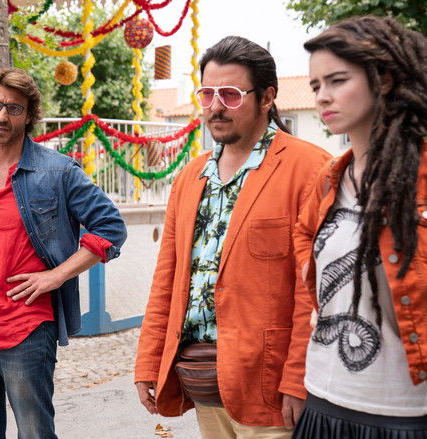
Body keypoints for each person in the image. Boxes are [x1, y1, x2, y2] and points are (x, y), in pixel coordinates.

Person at [134, 36, 332, 438]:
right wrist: (149, 361)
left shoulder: (310, 170)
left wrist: (298, 379)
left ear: (267, 98)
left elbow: (314, 291)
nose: (215, 106)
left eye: (231, 94)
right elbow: (167, 279)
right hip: (204, 380)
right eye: (207, 94)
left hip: (270, 385)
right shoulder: (190, 177)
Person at [0, 67, 127, 438]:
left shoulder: (58, 172)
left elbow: (110, 228)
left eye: (14, 108)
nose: (2, 116)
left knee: (34, 433)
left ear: (29, 115)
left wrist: (56, 276)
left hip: (25, 328)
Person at [293, 15, 427, 438]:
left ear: (385, 79)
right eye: (316, 85)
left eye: (337, 81)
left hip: (406, 412)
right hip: (323, 398)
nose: (322, 96)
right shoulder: (328, 180)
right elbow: (303, 238)